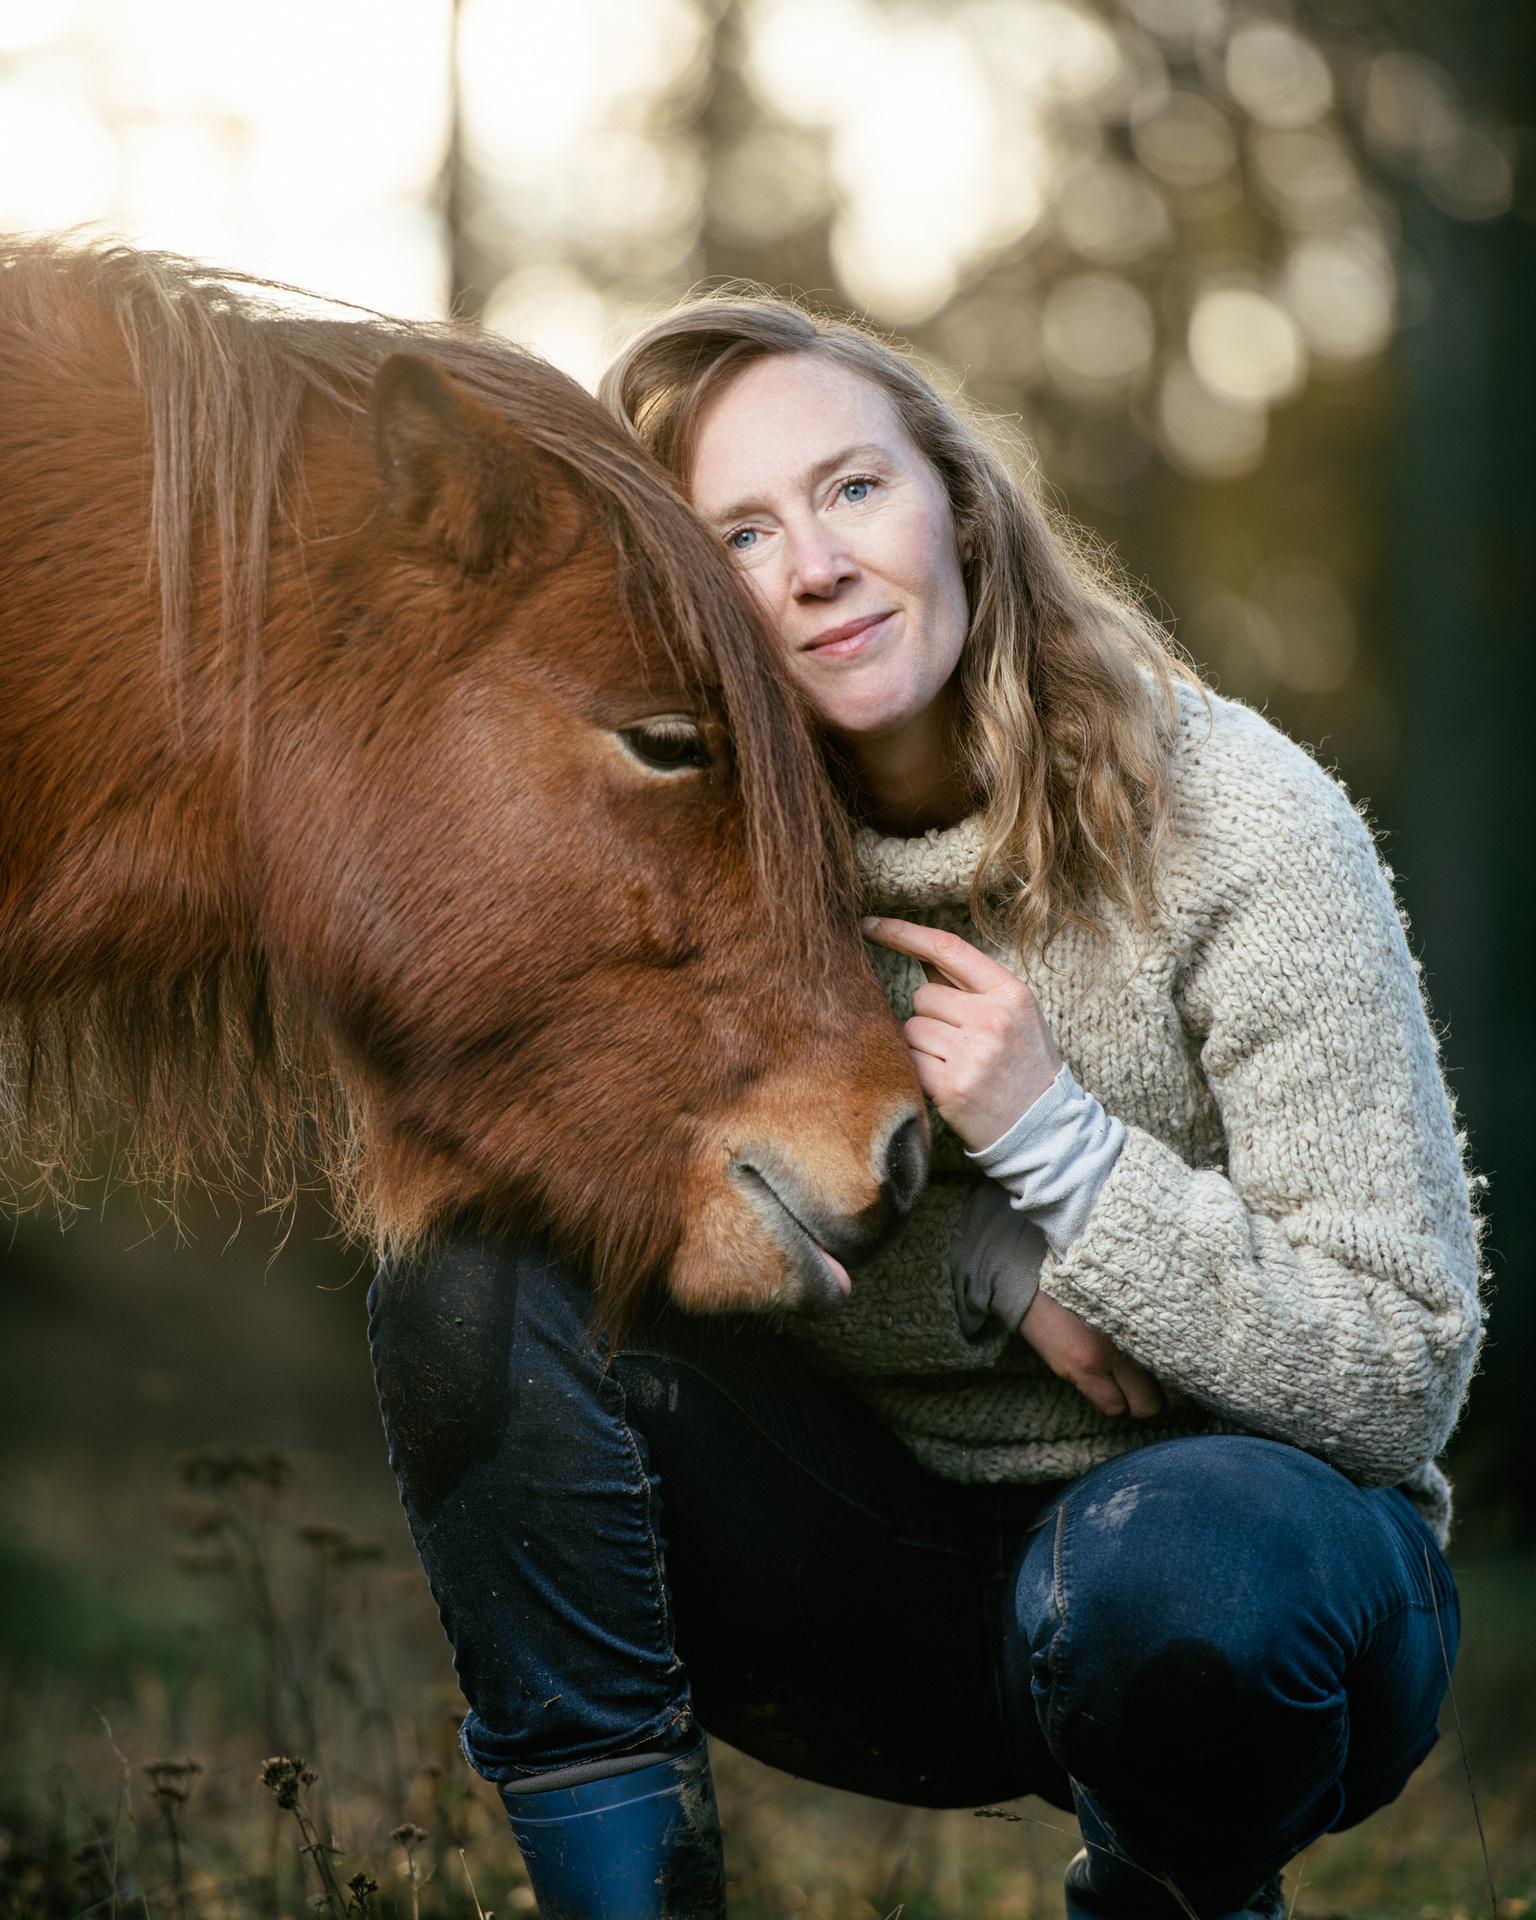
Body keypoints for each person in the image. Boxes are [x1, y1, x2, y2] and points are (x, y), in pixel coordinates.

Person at [366, 293, 1484, 1920]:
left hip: (1252, 1589)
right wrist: (985, 1257)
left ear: (957, 504)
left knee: (1187, 1576)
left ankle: (1181, 1889)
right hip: (874, 1580)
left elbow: (1401, 1372)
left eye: (851, 489)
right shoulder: (683, 862)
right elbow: (529, 1174)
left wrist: (1067, 1163)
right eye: (739, 533)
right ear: (684, 604)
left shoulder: (1243, 828)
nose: (813, 564)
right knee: (462, 1282)